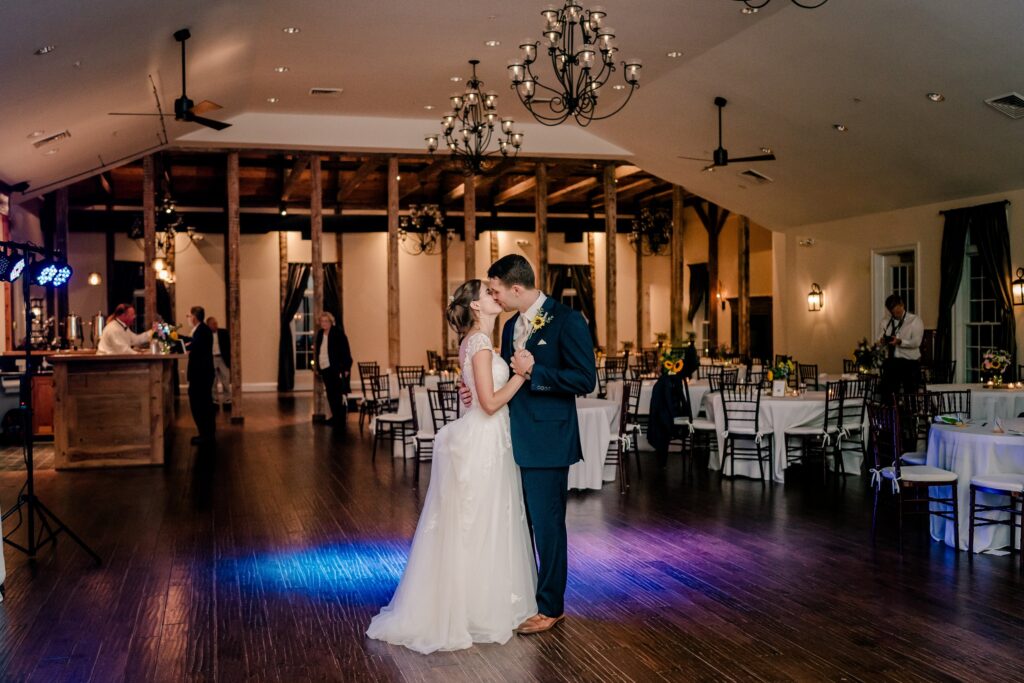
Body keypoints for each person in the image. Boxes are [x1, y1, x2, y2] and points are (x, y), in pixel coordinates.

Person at [367, 279, 537, 654]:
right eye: (488, 294)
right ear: (476, 306)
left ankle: (482, 602)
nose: (496, 296)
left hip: (490, 439)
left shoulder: (479, 343)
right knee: (478, 522)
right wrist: (521, 374)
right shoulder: (477, 343)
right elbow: (490, 405)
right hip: (484, 442)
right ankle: (474, 609)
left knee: (485, 520)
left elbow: (475, 401)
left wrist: (477, 392)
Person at [484, 254, 596, 635]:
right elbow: (504, 374)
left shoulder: (567, 320)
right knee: (520, 523)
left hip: (548, 440)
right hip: (510, 439)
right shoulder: (510, 325)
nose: (495, 297)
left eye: (497, 290)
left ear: (516, 288)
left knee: (547, 526)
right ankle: (523, 594)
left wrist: (536, 372)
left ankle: (551, 606)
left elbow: (585, 379)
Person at [878, 292, 924, 400]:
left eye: (898, 310)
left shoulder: (915, 320)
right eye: (893, 311)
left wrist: (900, 342)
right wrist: (882, 341)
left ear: (902, 305)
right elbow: (879, 339)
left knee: (910, 396)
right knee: (887, 395)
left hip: (910, 364)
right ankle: (890, 415)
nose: (896, 313)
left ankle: (910, 416)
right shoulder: (886, 322)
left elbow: (917, 342)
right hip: (892, 363)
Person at [313, 312, 352, 425]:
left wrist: (346, 368)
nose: (324, 323)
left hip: (336, 368)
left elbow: (346, 351)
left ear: (331, 322)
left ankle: (341, 419)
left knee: (338, 394)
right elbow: (318, 351)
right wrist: (317, 367)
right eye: (322, 321)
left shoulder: (338, 333)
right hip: (324, 368)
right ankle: (335, 417)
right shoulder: (320, 334)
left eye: (326, 321)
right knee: (330, 394)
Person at [186, 306, 216, 444]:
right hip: (203, 373)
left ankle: (206, 435)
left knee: (200, 404)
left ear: (194, 317)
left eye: (189, 316)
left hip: (201, 374)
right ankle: (206, 433)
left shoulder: (202, 331)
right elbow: (191, 343)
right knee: (203, 403)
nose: (188, 318)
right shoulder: (201, 330)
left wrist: (168, 333)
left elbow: (193, 346)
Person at [206, 316, 232, 407]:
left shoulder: (223, 333)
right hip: (211, 358)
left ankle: (227, 400)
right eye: (213, 324)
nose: (215, 325)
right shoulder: (206, 334)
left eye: (216, 323)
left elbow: (229, 345)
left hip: (222, 358)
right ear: (208, 325)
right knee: (213, 380)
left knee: (226, 378)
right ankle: (214, 400)